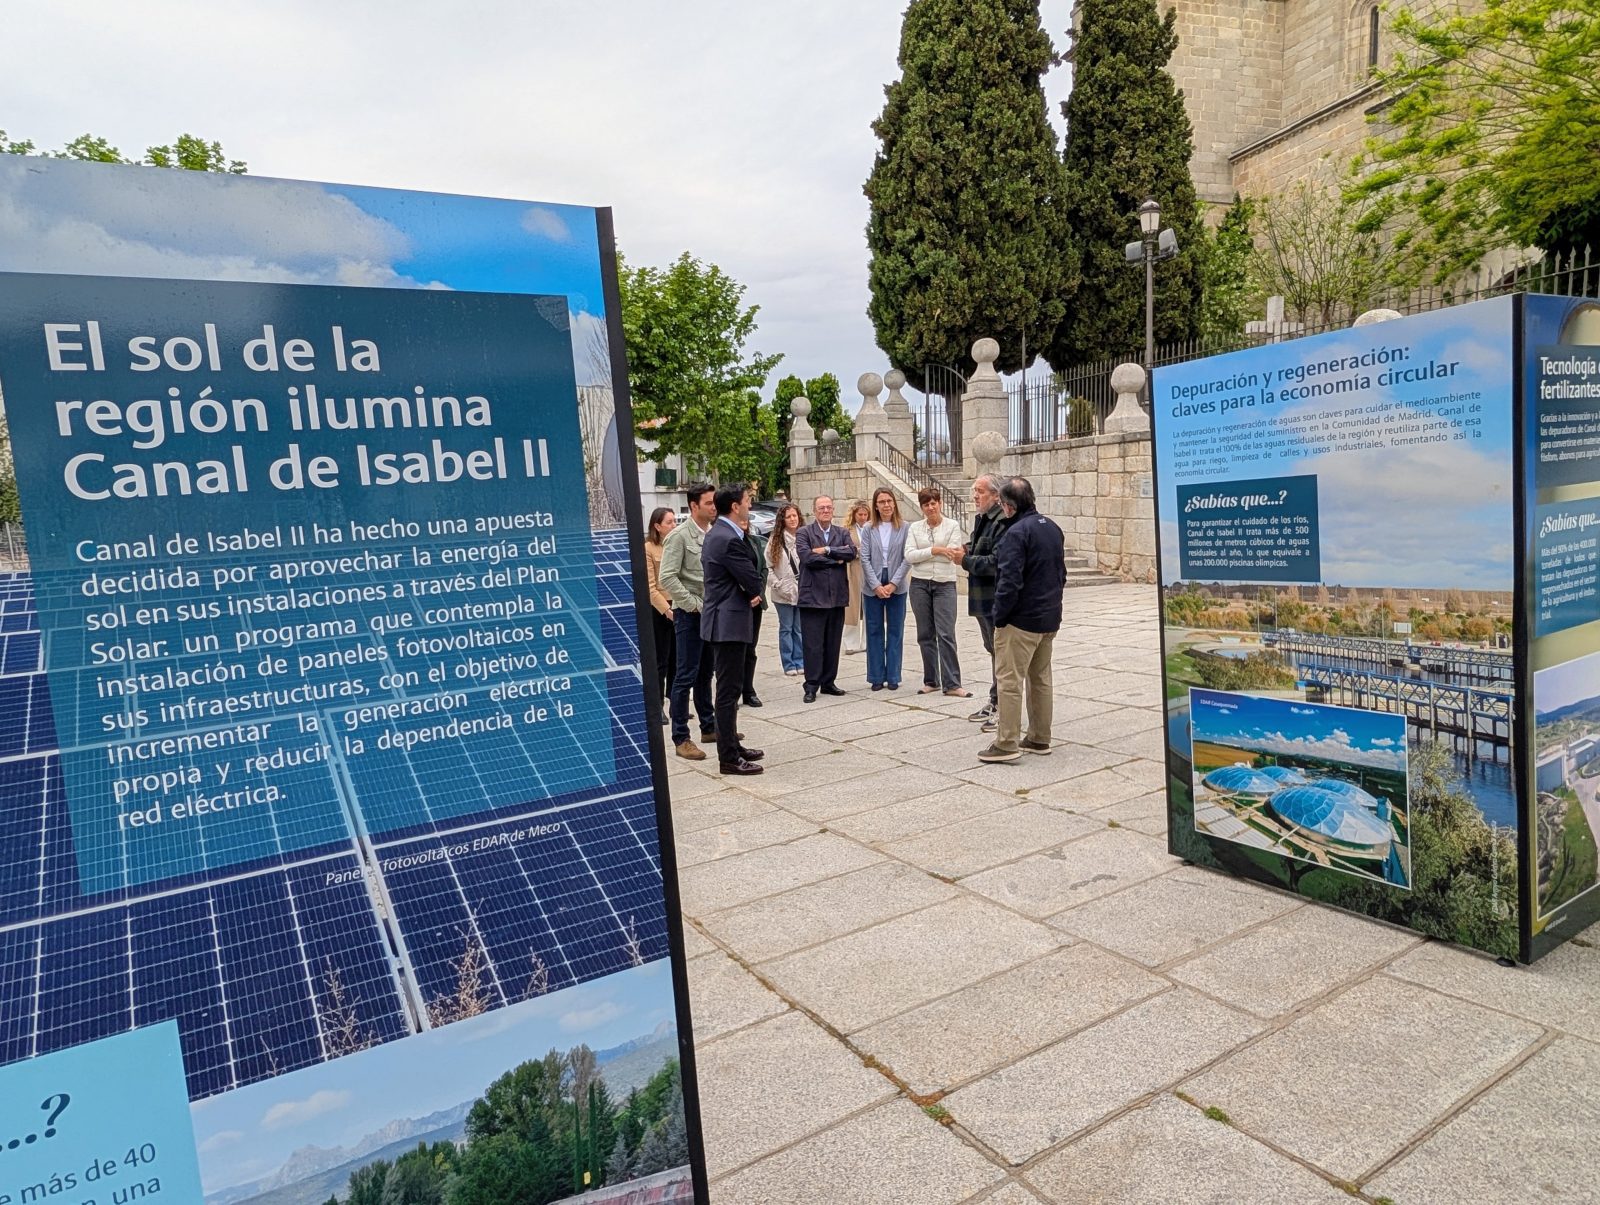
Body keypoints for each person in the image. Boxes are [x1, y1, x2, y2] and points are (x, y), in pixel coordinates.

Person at [978, 477, 1065, 763]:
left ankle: (1006, 743)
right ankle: (1040, 738)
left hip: (1020, 621)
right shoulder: (1052, 528)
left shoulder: (1015, 534)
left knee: (1009, 681)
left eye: (1003, 504)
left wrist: (999, 618)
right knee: (1041, 679)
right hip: (1048, 618)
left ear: (1009, 506)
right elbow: (1061, 575)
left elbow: (1009, 581)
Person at [700, 481, 766, 775]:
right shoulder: (727, 537)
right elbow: (752, 578)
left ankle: (732, 746)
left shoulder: (725, 533)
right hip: (726, 624)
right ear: (735, 506)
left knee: (733, 688)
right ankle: (728, 758)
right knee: (727, 693)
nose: (751, 504)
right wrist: (752, 590)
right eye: (748, 500)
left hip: (729, 620)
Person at [658, 481, 717, 760]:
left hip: (710, 614)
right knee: (685, 676)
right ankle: (681, 737)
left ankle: (709, 725)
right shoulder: (679, 536)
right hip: (690, 615)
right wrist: (693, 605)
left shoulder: (711, 534)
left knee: (706, 672)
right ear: (694, 506)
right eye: (708, 502)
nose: (713, 506)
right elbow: (666, 577)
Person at [950, 474, 1013, 730]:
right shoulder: (983, 518)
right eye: (974, 491)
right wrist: (966, 549)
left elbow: (996, 562)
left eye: (980, 491)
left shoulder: (1003, 522)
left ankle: (1005, 708)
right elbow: (981, 548)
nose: (975, 496)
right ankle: (996, 699)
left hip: (996, 599)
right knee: (993, 651)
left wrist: (963, 560)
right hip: (981, 601)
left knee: (1002, 655)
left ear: (996, 496)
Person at [904, 486, 968, 697]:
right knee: (925, 634)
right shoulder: (915, 528)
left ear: (939, 503)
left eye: (934, 503)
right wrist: (936, 550)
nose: (931, 507)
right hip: (920, 584)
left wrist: (931, 553)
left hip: (944, 583)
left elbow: (954, 554)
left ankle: (952, 683)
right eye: (926, 504)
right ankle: (931, 680)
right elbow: (909, 556)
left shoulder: (952, 525)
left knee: (946, 633)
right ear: (922, 507)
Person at [795, 494, 856, 702]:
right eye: (821, 508)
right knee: (813, 644)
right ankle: (811, 685)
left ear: (833, 510)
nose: (825, 511)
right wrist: (835, 560)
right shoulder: (804, 532)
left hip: (836, 596)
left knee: (832, 642)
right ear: (814, 510)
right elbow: (807, 557)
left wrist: (828, 550)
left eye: (829, 507)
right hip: (812, 597)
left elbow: (851, 553)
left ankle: (828, 682)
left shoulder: (842, 532)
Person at [858, 486, 909, 691]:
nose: (886, 505)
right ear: (876, 506)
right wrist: (876, 585)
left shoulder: (905, 527)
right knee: (874, 630)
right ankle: (876, 676)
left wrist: (894, 582)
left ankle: (894, 675)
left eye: (889, 501)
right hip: (873, 584)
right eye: (881, 502)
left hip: (897, 582)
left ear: (894, 503)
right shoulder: (869, 528)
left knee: (896, 630)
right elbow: (864, 558)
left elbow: (908, 557)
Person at [643, 506, 677, 725]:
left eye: (675, 521)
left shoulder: (676, 545)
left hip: (680, 605)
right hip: (659, 610)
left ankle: (677, 704)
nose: (674, 525)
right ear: (657, 526)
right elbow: (650, 586)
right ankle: (658, 707)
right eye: (669, 522)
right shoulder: (648, 548)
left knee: (677, 659)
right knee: (661, 661)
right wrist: (666, 610)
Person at [766, 502, 805, 676]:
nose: (792, 519)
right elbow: (767, 567)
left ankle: (800, 660)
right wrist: (777, 584)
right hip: (782, 592)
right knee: (786, 627)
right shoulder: (775, 539)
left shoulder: (805, 536)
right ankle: (789, 663)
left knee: (799, 628)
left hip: (802, 590)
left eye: (794, 515)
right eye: (788, 516)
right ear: (783, 519)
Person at [738, 490, 769, 708]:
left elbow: (763, 569)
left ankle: (748, 690)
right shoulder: (729, 543)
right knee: (735, 651)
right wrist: (747, 594)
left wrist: (758, 593)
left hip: (756, 603)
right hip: (739, 603)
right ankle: (733, 690)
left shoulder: (756, 543)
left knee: (751, 649)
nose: (744, 524)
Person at [841, 499, 870, 654]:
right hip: (852, 570)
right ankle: (850, 643)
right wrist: (858, 551)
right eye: (860, 514)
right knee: (851, 608)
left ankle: (867, 642)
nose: (863, 517)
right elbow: (846, 549)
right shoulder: (847, 530)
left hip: (868, 570)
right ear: (854, 514)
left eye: (865, 514)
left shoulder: (872, 528)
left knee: (869, 606)